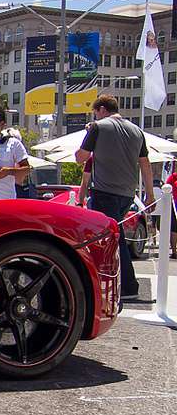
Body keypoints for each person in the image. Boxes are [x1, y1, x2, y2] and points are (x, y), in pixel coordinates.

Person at [75, 94, 155, 301]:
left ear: (101, 109)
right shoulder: (137, 131)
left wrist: (88, 136)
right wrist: (150, 194)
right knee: (113, 237)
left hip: (104, 192)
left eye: (95, 112)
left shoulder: (98, 127)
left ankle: (128, 286)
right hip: (127, 194)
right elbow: (145, 164)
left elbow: (80, 158)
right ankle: (115, 283)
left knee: (112, 240)